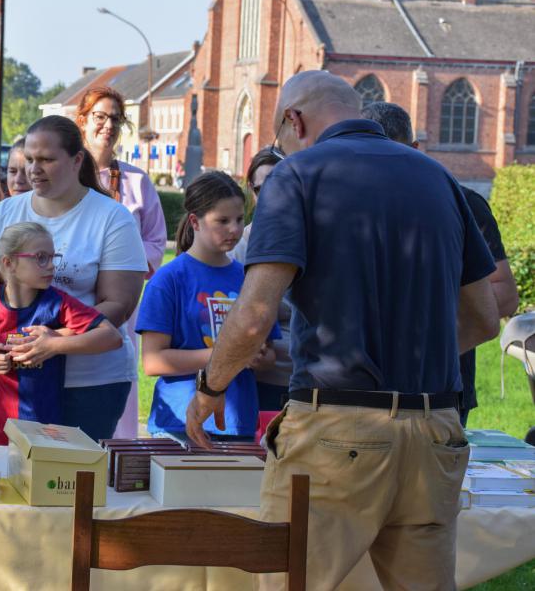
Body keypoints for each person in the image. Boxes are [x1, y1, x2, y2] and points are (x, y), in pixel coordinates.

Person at [185, 70, 499, 590]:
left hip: (337, 427)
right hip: (435, 429)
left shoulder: (297, 174)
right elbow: (486, 318)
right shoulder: (439, 178)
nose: (280, 148)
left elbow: (254, 315)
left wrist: (209, 389)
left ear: (295, 120)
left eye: (278, 138)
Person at [0, 115, 147, 442]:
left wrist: (56, 341)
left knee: (68, 484)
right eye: (29, 159)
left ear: (76, 160)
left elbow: (119, 303)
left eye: (46, 159)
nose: (34, 169)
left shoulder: (112, 218)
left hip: (86, 383)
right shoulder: (4, 213)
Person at [361, 101, 519, 425]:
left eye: (397, 156)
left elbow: (504, 294)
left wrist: (435, 346)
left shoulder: (463, 203)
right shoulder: (348, 206)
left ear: (416, 149)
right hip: (361, 390)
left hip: (442, 390)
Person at [0, 223, 122, 444]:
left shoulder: (58, 303)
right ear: (9, 263)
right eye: (41, 258)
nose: (51, 266)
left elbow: (112, 336)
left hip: (42, 433)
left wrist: (53, 345)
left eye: (52, 257)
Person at [138, 171, 277, 443]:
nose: (235, 230)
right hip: (178, 424)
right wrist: (229, 355)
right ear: (195, 221)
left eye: (239, 219)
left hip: (238, 423)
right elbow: (153, 361)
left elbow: (270, 354)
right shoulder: (169, 280)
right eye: (222, 221)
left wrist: (259, 357)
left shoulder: (250, 278)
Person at [75, 85, 167, 438]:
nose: (108, 125)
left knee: (117, 368)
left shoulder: (136, 181)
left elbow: (156, 239)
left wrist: (124, 263)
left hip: (119, 301)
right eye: (100, 116)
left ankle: (119, 453)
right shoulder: (68, 177)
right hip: (74, 295)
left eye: (115, 118)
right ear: (82, 121)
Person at [230, 147, 293, 411]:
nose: (268, 196)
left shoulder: (316, 239)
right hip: (259, 377)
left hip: (313, 380)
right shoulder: (243, 244)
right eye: (259, 189)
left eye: (276, 185)